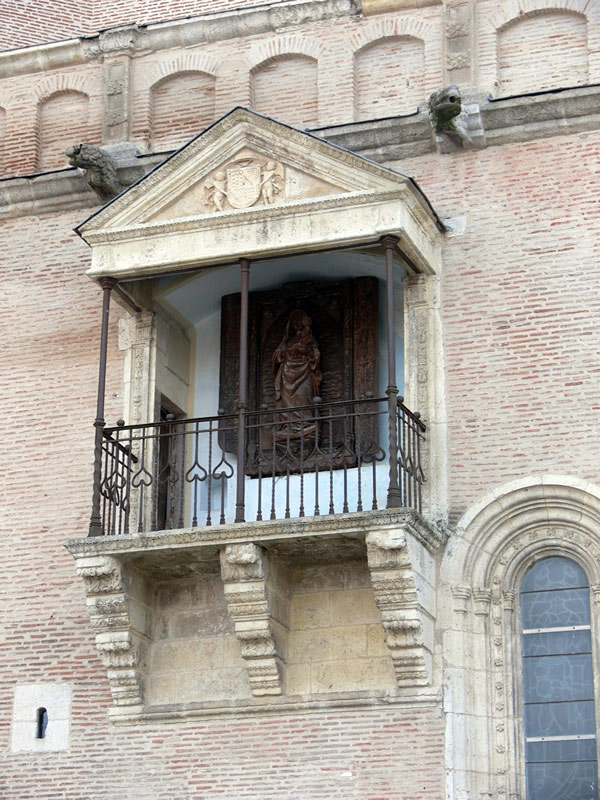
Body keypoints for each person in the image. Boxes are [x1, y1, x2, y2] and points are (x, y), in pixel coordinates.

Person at [273, 310, 321, 435]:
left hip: (304, 372)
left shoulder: (310, 338)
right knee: (287, 401)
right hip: (287, 373)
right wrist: (284, 352)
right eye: (294, 323)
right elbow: (277, 356)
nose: (297, 326)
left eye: (299, 322)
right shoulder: (288, 341)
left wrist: (307, 352)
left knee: (303, 395)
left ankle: (306, 425)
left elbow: (316, 355)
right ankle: (289, 426)